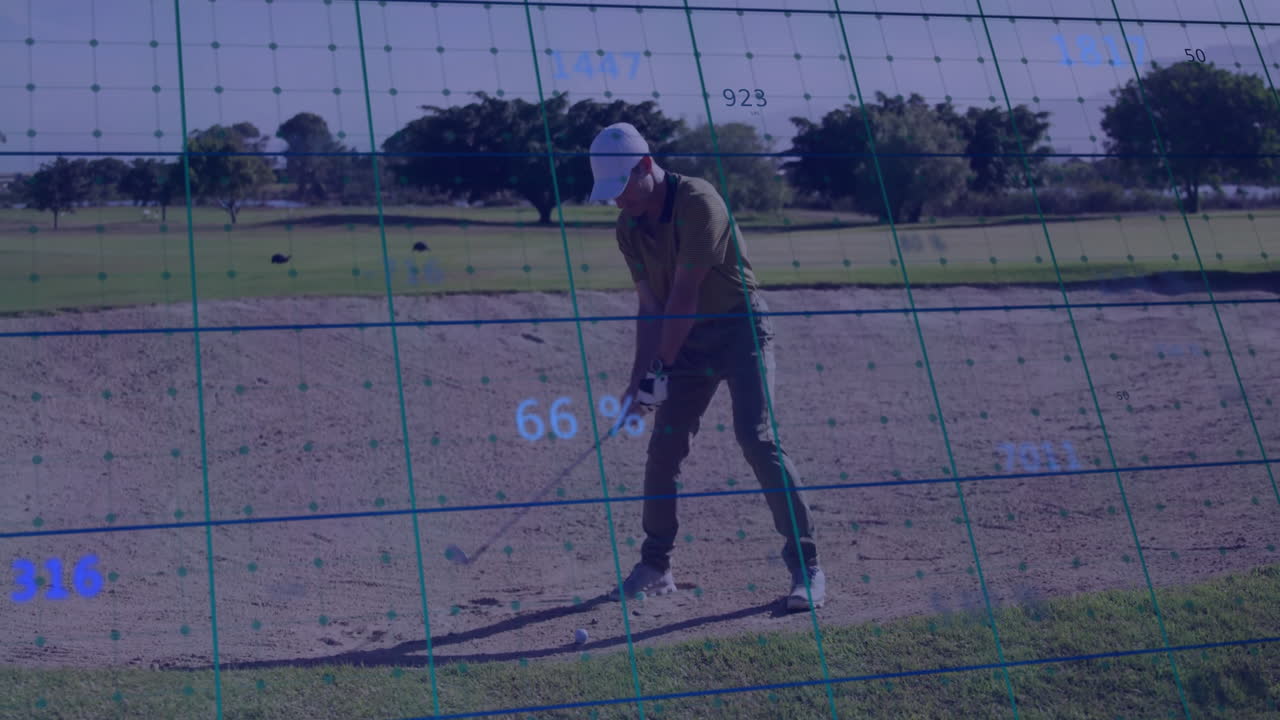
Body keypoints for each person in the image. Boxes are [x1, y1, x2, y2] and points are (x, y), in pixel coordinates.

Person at [587, 122, 826, 612]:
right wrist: (638, 385)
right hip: (688, 340)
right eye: (610, 194)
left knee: (755, 436)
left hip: (740, 329)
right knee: (664, 449)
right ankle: (655, 567)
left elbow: (684, 297)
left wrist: (658, 373)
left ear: (647, 167)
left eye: (623, 189)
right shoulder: (627, 226)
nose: (619, 201)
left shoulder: (700, 202)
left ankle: (808, 570)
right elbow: (651, 308)